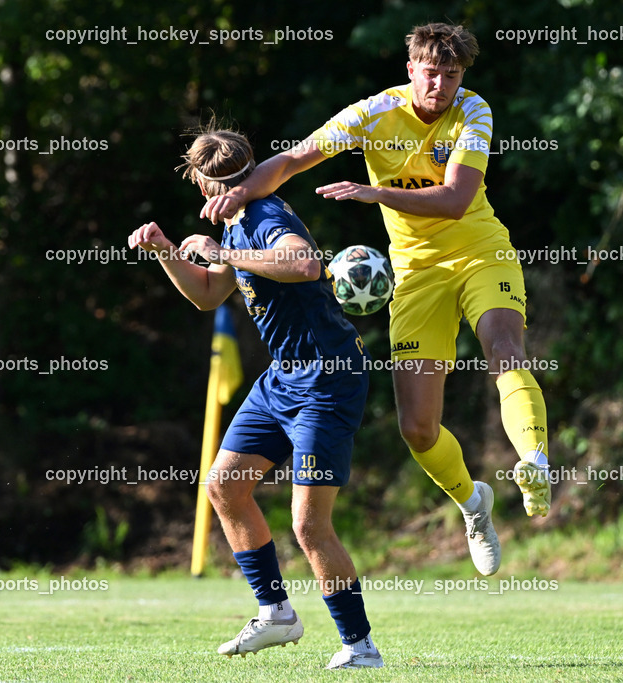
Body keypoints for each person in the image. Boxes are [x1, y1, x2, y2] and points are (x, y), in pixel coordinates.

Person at [201, 23, 552, 577]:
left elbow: (458, 199)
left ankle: (534, 460)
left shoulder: (473, 112)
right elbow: (293, 159)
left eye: (451, 76)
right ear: (411, 69)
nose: (440, 85)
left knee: (503, 347)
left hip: (482, 253)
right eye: (431, 73)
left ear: (463, 78)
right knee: (417, 429)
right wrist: (242, 192)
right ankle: (473, 504)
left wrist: (374, 192)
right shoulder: (372, 113)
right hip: (414, 274)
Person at [128, 127, 382, 669]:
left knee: (309, 524)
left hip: (327, 379)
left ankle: (360, 647)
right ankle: (276, 614)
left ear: (204, 183)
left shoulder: (265, 216)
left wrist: (223, 250)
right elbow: (208, 294)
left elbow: (306, 264)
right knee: (224, 486)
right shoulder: (236, 219)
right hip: (283, 379)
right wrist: (167, 251)